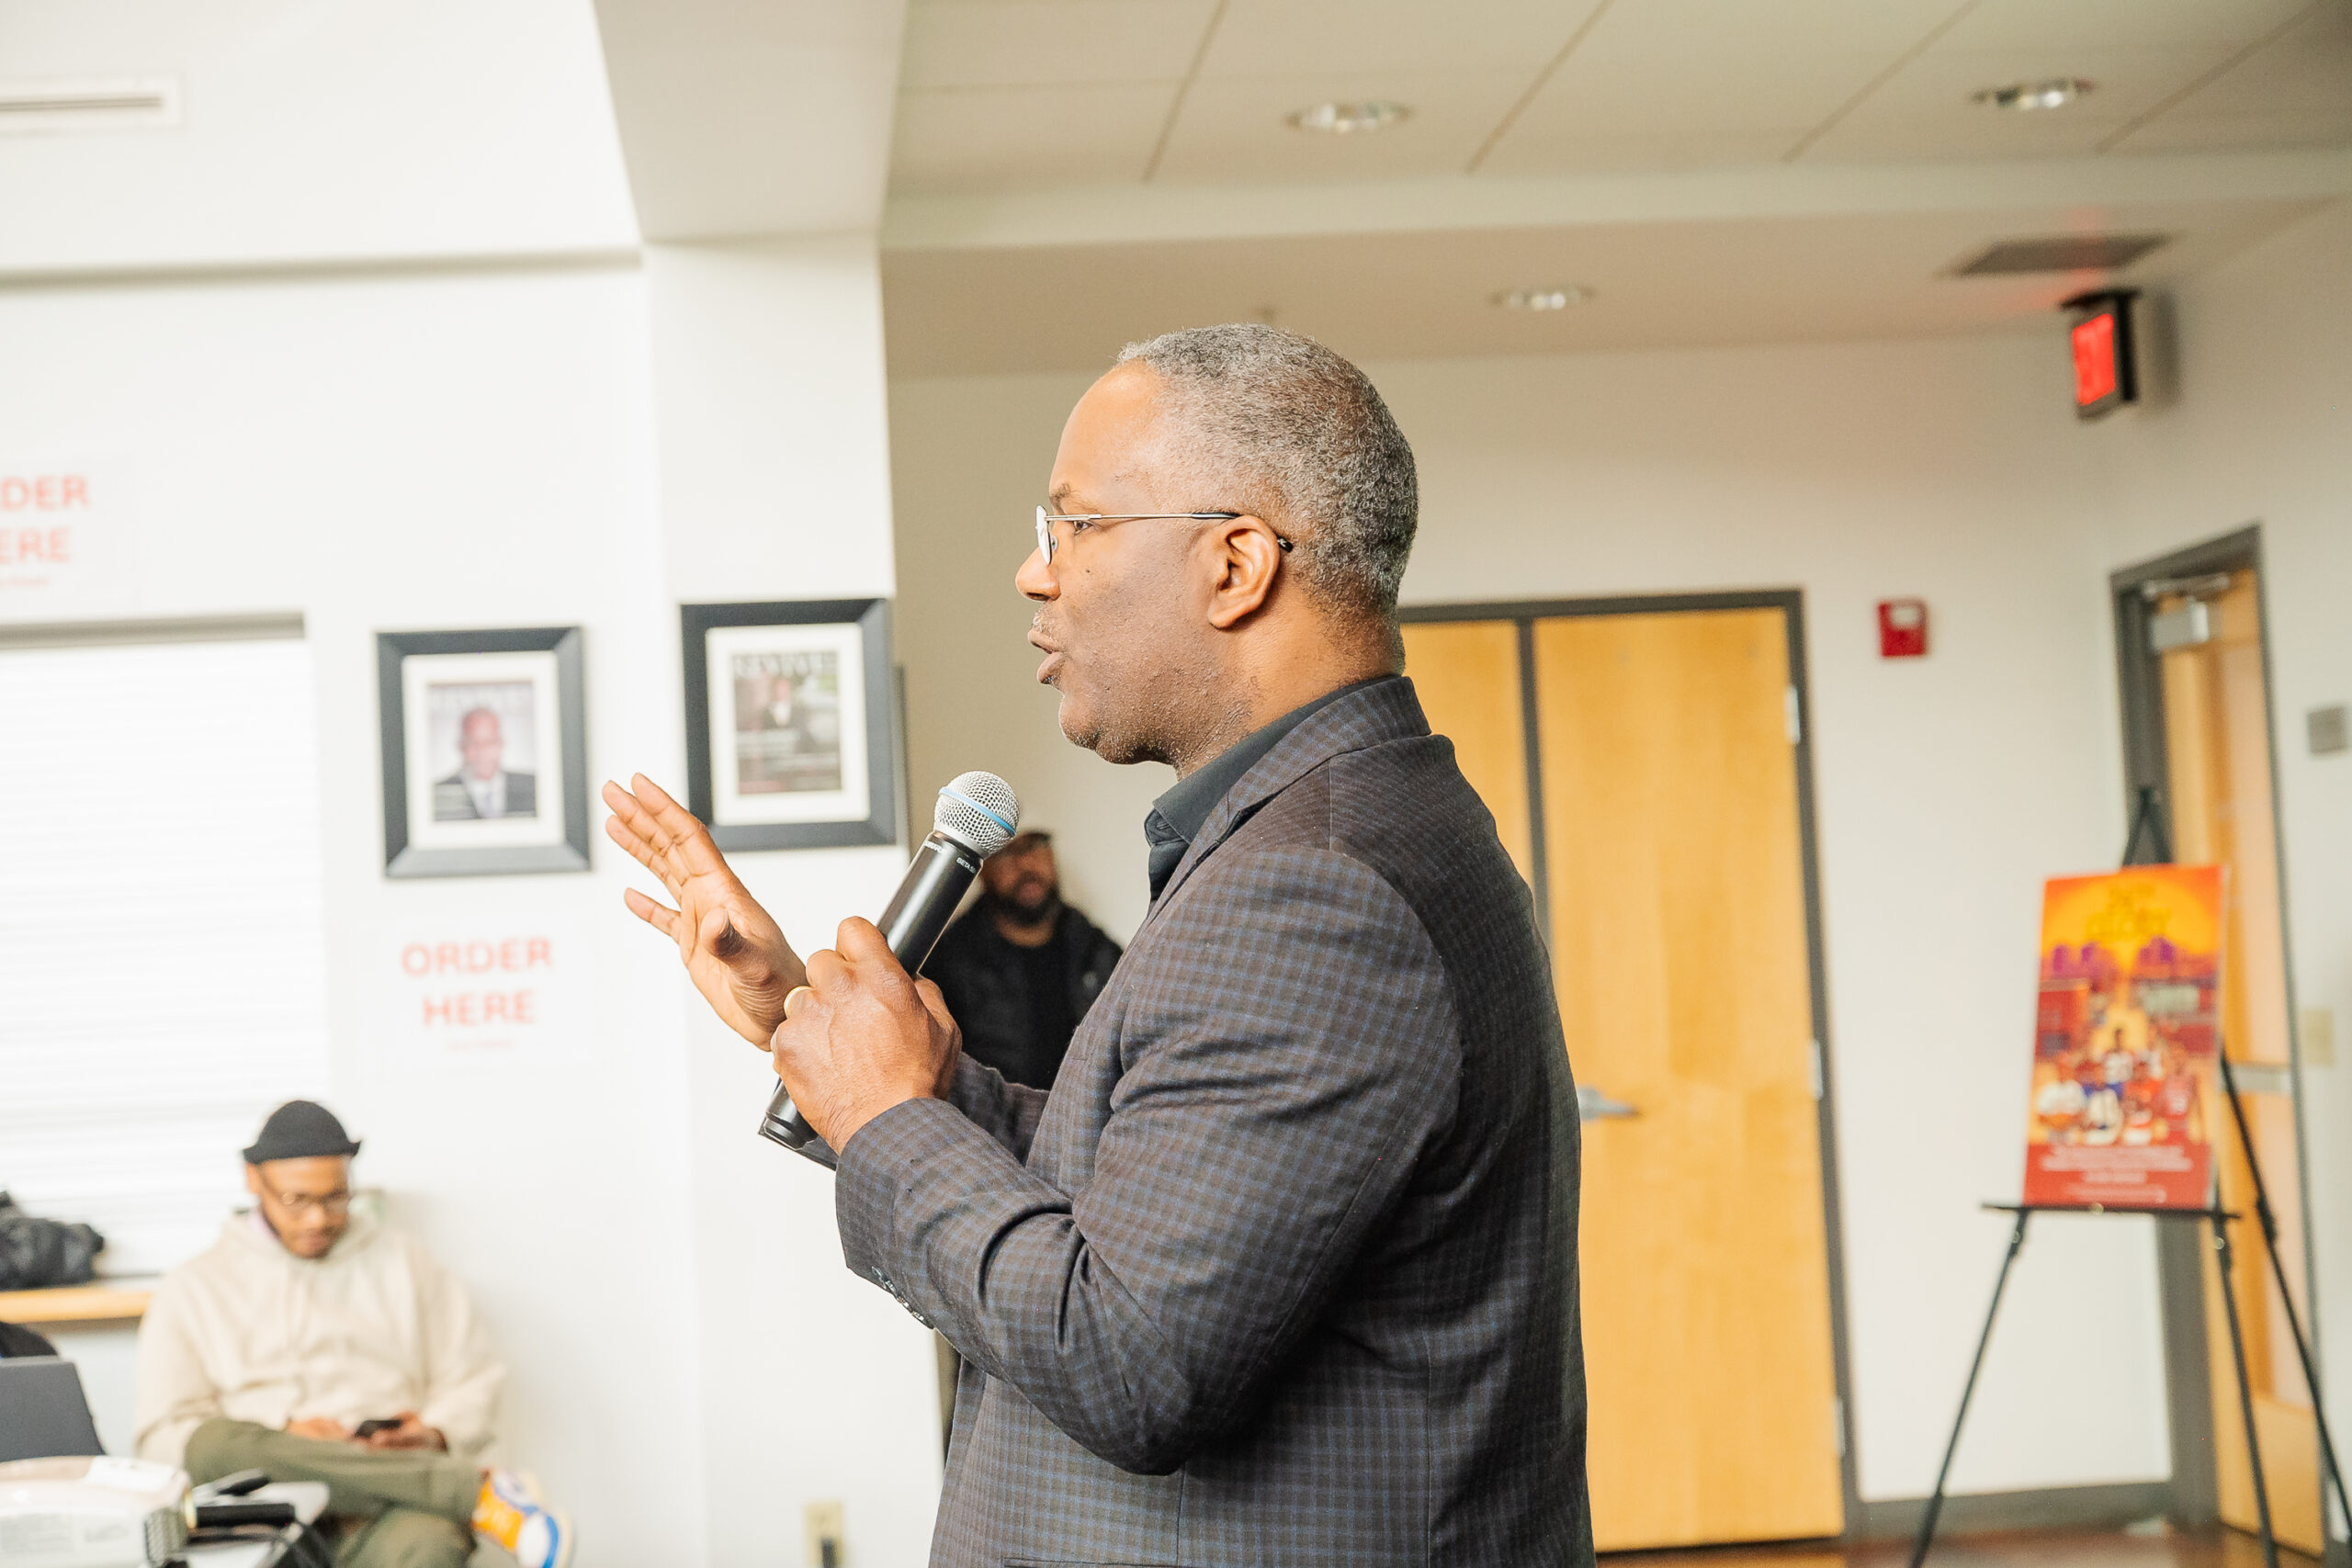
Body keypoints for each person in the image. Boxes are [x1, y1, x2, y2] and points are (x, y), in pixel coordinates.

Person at [604, 323, 1589, 1566]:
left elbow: (1126, 1359)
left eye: (1074, 524)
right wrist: (825, 1030)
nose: (1034, 572)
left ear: (1234, 565)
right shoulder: (1333, 831)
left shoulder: (1316, 889)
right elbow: (1160, 1188)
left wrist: (887, 1118)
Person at [135, 1100, 571, 1568]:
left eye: (335, 1197)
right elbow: (161, 1439)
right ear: (253, 1180)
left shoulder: (408, 1263)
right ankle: (471, 1491)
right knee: (212, 1443)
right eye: (297, 1200)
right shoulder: (192, 1285)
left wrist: (434, 1432)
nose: (318, 1219)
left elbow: (473, 1378)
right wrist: (283, 1436)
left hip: (385, 1515)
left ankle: (435, 1485)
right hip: (262, 1507)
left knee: (430, 1543)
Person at [924, 830, 1122, 1089]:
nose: (1026, 863)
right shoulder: (946, 964)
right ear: (982, 869)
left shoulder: (1099, 951)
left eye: (1034, 845)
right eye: (1005, 852)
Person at [435, 707, 537, 820]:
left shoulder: (534, 787)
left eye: (489, 742)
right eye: (473, 743)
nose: (482, 751)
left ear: (501, 743)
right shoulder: (437, 794)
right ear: (461, 745)